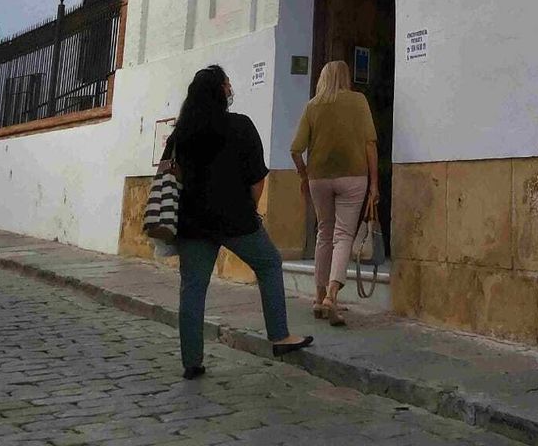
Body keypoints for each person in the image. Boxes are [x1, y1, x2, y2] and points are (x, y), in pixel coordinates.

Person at [161, 64, 311, 379]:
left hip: (194, 221)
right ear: (221, 91)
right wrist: (249, 210)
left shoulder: (181, 134)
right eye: (227, 83)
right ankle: (279, 335)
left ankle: (192, 361)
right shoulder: (241, 126)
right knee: (269, 263)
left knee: (193, 288)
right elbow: (257, 177)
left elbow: (170, 175)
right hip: (236, 218)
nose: (231, 86)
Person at [289, 60, 379, 327]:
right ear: (346, 77)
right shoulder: (358, 101)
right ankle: (332, 296)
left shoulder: (312, 106)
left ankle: (318, 298)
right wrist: (374, 184)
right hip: (353, 177)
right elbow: (370, 144)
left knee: (324, 234)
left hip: (318, 178)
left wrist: (304, 175)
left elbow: (295, 149)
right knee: (343, 236)